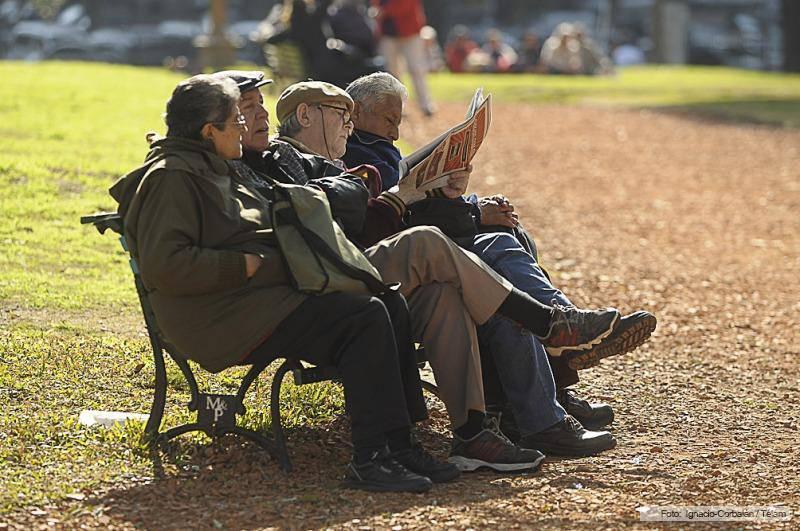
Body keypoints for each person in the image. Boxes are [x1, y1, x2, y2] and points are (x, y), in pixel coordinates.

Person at [222, 72, 649, 460]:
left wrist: (450, 200)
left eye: (259, 106)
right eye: (342, 116)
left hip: (366, 266)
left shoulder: (302, 159)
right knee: (456, 252)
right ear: (306, 115)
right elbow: (341, 218)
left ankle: (476, 432)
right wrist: (407, 198)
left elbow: (353, 206)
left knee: (465, 281)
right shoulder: (277, 161)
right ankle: (552, 336)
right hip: (334, 279)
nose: (350, 126)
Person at [109, 74, 466, 493]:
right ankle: (371, 458)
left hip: (255, 299)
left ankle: (399, 444)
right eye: (236, 120)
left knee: (385, 300)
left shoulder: (212, 165)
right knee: (364, 317)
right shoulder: (172, 177)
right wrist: (248, 264)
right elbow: (166, 266)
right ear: (209, 131)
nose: (245, 126)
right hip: (217, 318)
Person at [341, 72, 658, 447]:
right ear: (355, 112)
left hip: (422, 250)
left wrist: (463, 199)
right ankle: (561, 345)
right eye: (388, 120)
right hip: (404, 266)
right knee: (500, 259)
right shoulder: (356, 155)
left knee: (512, 245)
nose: (395, 133)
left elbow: (414, 209)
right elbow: (399, 221)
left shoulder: (376, 148)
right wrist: (472, 212)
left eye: (398, 122)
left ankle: (551, 387)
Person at [370, 0, 434, 115]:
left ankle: (425, 105)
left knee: (416, 69)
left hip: (410, 32)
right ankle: (398, 107)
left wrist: (383, 11)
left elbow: (404, 5)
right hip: (388, 34)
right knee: (391, 72)